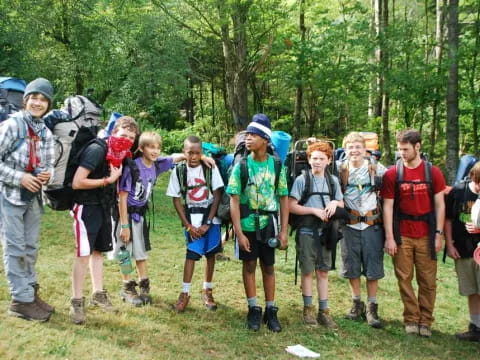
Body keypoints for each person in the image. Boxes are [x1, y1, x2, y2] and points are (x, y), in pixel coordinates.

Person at [113, 132, 215, 306]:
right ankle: (127, 287)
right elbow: (122, 196)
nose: (155, 151)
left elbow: (176, 157)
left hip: (140, 215)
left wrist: (202, 156)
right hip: (125, 215)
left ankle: (144, 286)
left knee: (140, 251)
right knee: (125, 253)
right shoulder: (132, 167)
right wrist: (124, 225)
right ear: (141, 148)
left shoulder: (156, 165)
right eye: (151, 147)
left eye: (158, 147)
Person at [69, 116, 139, 325]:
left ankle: (98, 293)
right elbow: (77, 182)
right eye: (123, 135)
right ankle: (76, 301)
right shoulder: (98, 150)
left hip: (103, 206)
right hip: (85, 206)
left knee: (98, 251)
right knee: (83, 254)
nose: (126, 140)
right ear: (113, 132)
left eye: (131, 138)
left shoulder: (120, 155)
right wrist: (108, 180)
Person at [227, 114, 289, 332]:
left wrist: (283, 232)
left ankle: (271, 310)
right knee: (249, 265)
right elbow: (234, 200)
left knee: (269, 267)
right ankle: (254, 309)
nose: (247, 138)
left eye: (253, 135)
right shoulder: (241, 166)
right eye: (247, 135)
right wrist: (239, 233)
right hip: (246, 225)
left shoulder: (277, 166)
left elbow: (283, 198)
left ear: (265, 139)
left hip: (269, 224)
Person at [0, 78, 55, 322]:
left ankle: (30, 292)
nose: (38, 102)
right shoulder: (12, 126)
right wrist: (20, 177)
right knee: (15, 247)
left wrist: (46, 174)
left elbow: (50, 164)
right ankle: (20, 300)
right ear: (26, 100)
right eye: (34, 97)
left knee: (30, 246)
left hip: (33, 197)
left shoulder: (45, 132)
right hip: (10, 195)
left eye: (43, 99)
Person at [382, 129, 446, 337]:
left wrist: (438, 233)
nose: (402, 153)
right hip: (403, 234)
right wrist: (390, 237)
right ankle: (411, 318)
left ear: (418, 147)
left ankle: (426, 321)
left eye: (406, 149)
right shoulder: (393, 173)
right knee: (404, 278)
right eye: (399, 149)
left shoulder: (432, 172)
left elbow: (439, 204)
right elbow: (388, 207)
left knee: (428, 280)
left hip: (427, 234)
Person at [289, 141, 343, 328]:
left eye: (321, 158)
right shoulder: (302, 180)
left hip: (327, 233)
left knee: (323, 271)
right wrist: (314, 211)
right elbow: (291, 206)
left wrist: (335, 203)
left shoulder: (333, 180)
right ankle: (308, 309)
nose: (317, 162)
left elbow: (341, 203)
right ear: (309, 159)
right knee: (307, 271)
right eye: (314, 158)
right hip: (306, 231)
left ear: (329, 160)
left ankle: (324, 311)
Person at [166, 135, 223, 312]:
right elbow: (176, 199)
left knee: (211, 254)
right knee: (191, 255)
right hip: (192, 219)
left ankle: (207, 289)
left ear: (202, 153)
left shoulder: (210, 168)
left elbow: (217, 194)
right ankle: (185, 293)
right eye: (190, 153)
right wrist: (188, 226)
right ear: (184, 152)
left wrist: (208, 222)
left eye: (197, 153)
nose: (193, 157)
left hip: (210, 219)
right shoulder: (179, 171)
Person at [337, 132, 386, 328]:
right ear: (345, 150)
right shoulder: (340, 169)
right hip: (349, 225)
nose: (354, 151)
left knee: (373, 268)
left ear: (364, 149)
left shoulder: (377, 168)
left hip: (372, 225)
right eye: (350, 147)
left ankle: (372, 307)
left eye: (358, 147)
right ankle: (357, 303)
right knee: (352, 267)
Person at [445, 161, 480, 342]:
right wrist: (449, 245)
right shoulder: (459, 191)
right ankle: (475, 327)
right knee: (472, 290)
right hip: (464, 250)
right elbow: (448, 219)